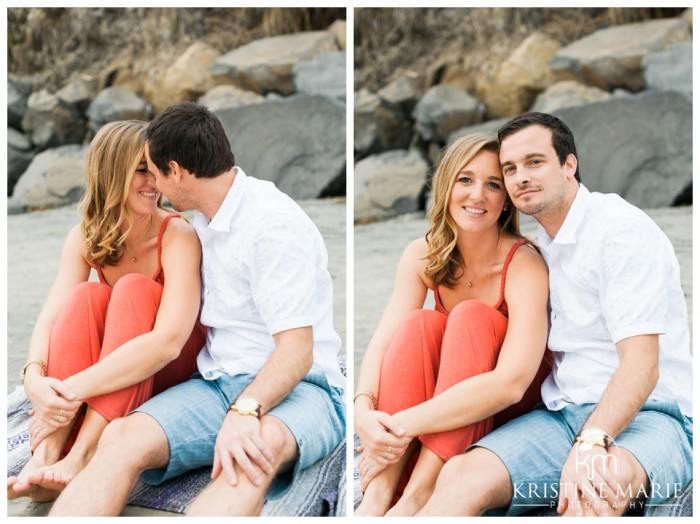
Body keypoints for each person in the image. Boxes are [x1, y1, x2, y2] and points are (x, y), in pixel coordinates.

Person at [48, 101, 346, 516]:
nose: (151, 182)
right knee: (119, 440)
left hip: (300, 390)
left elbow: (297, 350)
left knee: (250, 457)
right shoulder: (201, 218)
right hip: (215, 385)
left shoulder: (273, 226)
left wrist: (247, 409)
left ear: (176, 171)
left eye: (153, 171)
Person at [417, 112, 693, 516]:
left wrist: (591, 442)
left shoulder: (620, 232)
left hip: (651, 416)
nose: (520, 177)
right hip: (561, 417)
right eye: (510, 169)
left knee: (595, 490)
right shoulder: (538, 246)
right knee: (460, 478)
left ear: (569, 165)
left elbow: (643, 366)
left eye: (534, 162)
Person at [353, 132, 553, 516]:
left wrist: (400, 425)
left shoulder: (524, 262)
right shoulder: (422, 253)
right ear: (446, 185)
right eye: (465, 180)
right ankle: (378, 495)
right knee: (419, 325)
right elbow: (382, 344)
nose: (477, 195)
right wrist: (363, 413)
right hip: (445, 409)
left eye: (493, 185)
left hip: (505, 406)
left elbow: (511, 385)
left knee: (471, 317)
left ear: (506, 199)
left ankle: (418, 494)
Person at [7, 120, 206, 502]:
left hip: (171, 368)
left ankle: (82, 456)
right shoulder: (86, 235)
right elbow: (50, 318)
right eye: (141, 170)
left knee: (131, 289)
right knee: (86, 297)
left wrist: (68, 391)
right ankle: (47, 454)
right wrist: (34, 379)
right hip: (118, 373)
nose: (155, 180)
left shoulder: (177, 234)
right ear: (111, 172)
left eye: (159, 168)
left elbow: (168, 343)